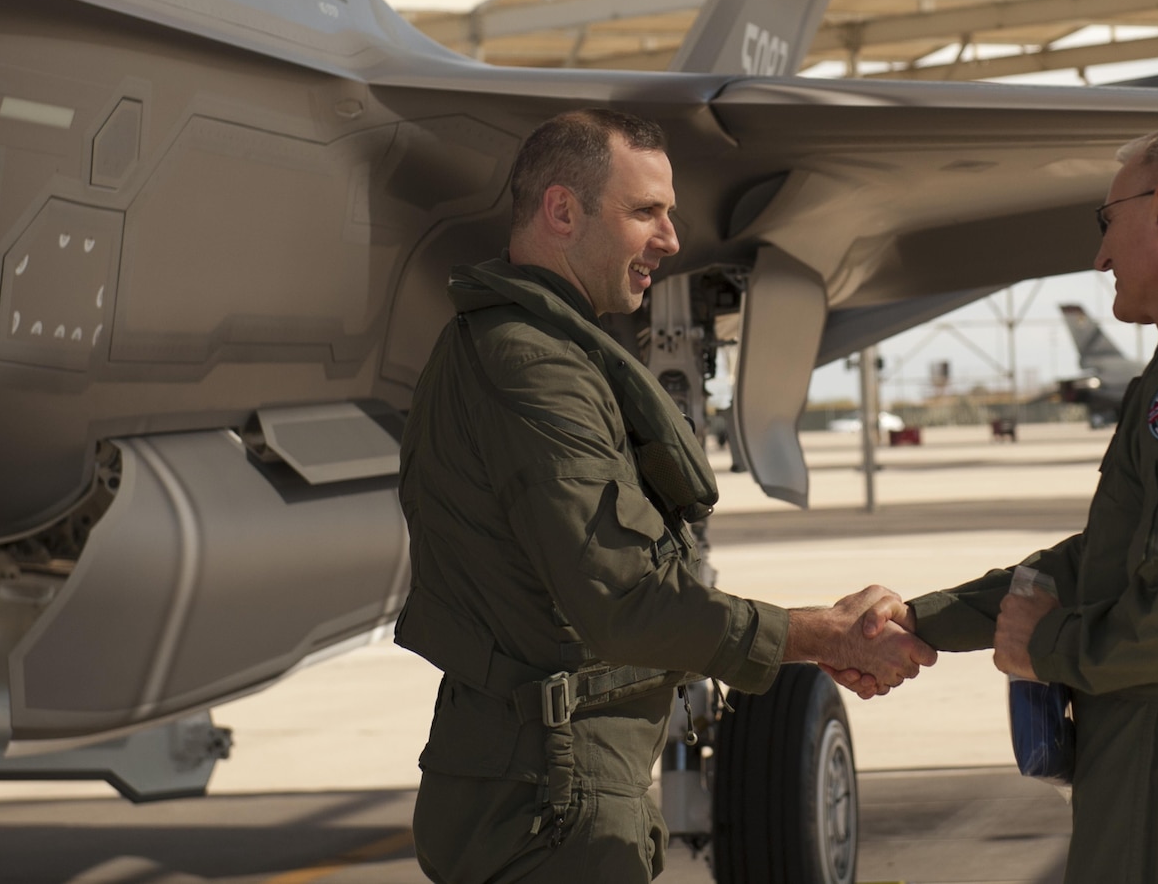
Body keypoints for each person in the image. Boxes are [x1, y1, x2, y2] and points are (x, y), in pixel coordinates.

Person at [396, 108, 935, 884]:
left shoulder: (514, 347)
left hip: (534, 785)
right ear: (561, 209)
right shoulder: (532, 368)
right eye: (646, 211)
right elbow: (622, 600)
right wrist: (822, 634)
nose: (672, 239)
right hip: (553, 805)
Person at [854, 122, 1158, 884]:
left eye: (1107, 222)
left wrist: (1050, 649)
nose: (1101, 254)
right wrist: (923, 617)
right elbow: (1104, 563)